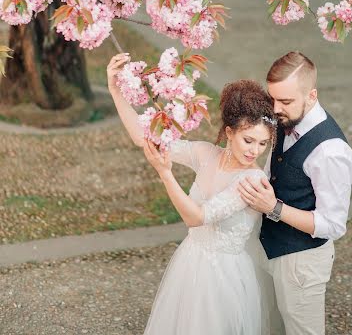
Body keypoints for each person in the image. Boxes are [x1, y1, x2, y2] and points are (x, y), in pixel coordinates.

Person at [107, 52, 277, 335]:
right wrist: (115, 89)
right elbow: (146, 138)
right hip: (191, 261)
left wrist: (165, 173)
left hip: (224, 277)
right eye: (249, 140)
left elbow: (197, 217)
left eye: (262, 143)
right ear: (229, 132)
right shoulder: (205, 153)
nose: (254, 151)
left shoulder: (252, 180)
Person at [238, 51, 352, 335]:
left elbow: (333, 225)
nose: (275, 109)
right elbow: (272, 173)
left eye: (286, 101)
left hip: (302, 264)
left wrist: (274, 208)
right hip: (269, 248)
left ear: (312, 95)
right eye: (273, 99)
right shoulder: (287, 119)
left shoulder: (330, 152)